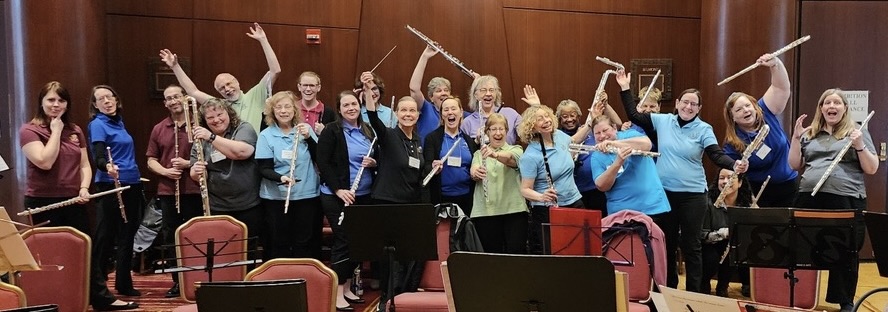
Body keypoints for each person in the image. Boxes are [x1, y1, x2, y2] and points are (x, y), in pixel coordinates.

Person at [616, 70, 747, 292]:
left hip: (693, 196)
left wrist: (733, 164)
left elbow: (715, 154)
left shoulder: (704, 129)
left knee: (691, 246)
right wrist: (624, 88)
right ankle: (668, 291)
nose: (688, 107)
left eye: (694, 104)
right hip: (665, 194)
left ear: (699, 109)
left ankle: (693, 294)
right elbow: (634, 115)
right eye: (685, 102)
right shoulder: (663, 120)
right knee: (666, 244)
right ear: (677, 103)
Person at [21, 81, 138, 311]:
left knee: (86, 250)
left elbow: (85, 165)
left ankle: (101, 298)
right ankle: (51, 299)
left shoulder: (75, 130)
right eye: (51, 100)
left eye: (61, 100)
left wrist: (84, 188)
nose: (56, 105)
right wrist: (55, 131)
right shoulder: (29, 130)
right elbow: (45, 161)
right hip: (42, 201)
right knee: (49, 254)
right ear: (41, 102)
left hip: (74, 200)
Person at [789, 89, 877, 312]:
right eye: (827, 102)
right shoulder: (811, 133)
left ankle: (844, 300)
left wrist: (859, 145)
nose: (832, 106)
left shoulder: (857, 131)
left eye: (837, 102)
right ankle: (798, 295)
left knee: (845, 249)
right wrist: (796, 137)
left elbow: (872, 168)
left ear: (845, 108)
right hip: (809, 196)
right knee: (799, 246)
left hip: (846, 199)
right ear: (821, 108)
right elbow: (794, 164)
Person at [159, 22, 281, 134]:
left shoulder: (255, 95)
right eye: (221, 88)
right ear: (219, 93)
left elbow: (275, 70)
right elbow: (193, 92)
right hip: (233, 152)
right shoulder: (220, 106)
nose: (227, 89)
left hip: (257, 152)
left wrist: (263, 40)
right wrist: (175, 66)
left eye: (229, 84)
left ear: (237, 82)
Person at [317, 90, 377, 311]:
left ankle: (349, 287)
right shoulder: (332, 131)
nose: (351, 108)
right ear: (339, 109)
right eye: (346, 105)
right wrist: (338, 189)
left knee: (358, 242)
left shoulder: (367, 130)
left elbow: (377, 157)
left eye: (354, 104)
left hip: (363, 194)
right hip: (338, 195)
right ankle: (337, 290)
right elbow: (323, 163)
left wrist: (373, 163)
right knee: (343, 242)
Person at [88, 85, 146, 298]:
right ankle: (97, 285)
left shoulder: (119, 123)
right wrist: (107, 167)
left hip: (131, 183)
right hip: (110, 184)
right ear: (95, 105)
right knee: (106, 235)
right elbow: (99, 155)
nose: (106, 101)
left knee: (127, 234)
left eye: (109, 97)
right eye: (101, 99)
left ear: (116, 99)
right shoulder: (97, 124)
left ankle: (123, 282)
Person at [145, 85, 203, 298]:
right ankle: (178, 282)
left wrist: (188, 163)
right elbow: (151, 159)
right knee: (172, 238)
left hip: (196, 191)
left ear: (185, 98)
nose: (173, 101)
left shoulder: (198, 124)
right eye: (168, 98)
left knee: (196, 237)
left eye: (176, 96)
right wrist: (167, 172)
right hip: (169, 192)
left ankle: (198, 281)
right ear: (165, 103)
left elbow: (209, 155)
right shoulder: (159, 128)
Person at [722, 54, 796, 207]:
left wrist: (775, 64)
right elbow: (730, 170)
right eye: (739, 110)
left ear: (755, 107)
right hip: (757, 193)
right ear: (733, 118)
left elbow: (781, 88)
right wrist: (738, 167)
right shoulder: (731, 143)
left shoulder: (766, 112)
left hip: (788, 186)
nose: (745, 110)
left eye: (747, 106)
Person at [189, 98, 263, 251]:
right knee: (223, 252)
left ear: (228, 113)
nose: (216, 120)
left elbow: (242, 152)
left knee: (247, 252)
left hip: (248, 205)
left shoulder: (243, 128)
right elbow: (194, 173)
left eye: (220, 114)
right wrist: (197, 172)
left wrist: (212, 137)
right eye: (210, 118)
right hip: (218, 206)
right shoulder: (201, 138)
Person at [256, 91, 321, 260]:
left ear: (294, 110)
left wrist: (309, 138)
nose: (283, 111)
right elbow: (263, 168)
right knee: (278, 241)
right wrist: (280, 178)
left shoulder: (305, 130)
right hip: (276, 197)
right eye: (279, 107)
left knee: (304, 241)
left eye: (287, 107)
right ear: (273, 111)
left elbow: (320, 158)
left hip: (306, 195)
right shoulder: (266, 135)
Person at [517, 105, 583, 255]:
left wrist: (591, 123)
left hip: (574, 201)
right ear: (531, 127)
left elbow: (573, 141)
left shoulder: (558, 136)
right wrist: (542, 196)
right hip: (547, 210)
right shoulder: (530, 156)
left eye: (547, 116)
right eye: (539, 119)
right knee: (555, 252)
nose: (546, 120)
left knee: (579, 248)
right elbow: (524, 189)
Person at [469, 113, 526, 254]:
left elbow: (511, 160)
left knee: (516, 255)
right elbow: (473, 170)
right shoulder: (478, 154)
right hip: (486, 213)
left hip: (514, 211)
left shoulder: (516, 149)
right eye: (493, 129)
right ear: (487, 132)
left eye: (501, 129)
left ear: (507, 131)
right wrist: (476, 173)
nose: (498, 133)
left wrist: (494, 155)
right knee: (492, 257)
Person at [363, 75, 424, 204]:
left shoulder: (418, 140)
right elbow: (373, 117)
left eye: (412, 111)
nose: (408, 114)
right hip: (387, 200)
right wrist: (368, 91)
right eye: (403, 110)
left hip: (410, 201)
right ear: (396, 114)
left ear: (418, 116)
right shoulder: (388, 135)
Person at [409, 45, 478, 143]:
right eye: (438, 91)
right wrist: (425, 57)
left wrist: (478, 84)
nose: (443, 93)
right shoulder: (426, 108)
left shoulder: (459, 113)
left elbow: (482, 114)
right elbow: (414, 89)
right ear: (431, 97)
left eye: (446, 90)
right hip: (428, 157)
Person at [701, 169, 752, 297]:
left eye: (730, 178)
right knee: (711, 258)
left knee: (735, 252)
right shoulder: (708, 202)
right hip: (709, 244)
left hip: (733, 246)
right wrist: (722, 233)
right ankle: (703, 283)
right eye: (721, 178)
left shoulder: (746, 203)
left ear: (740, 183)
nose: (724, 182)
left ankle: (723, 286)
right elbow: (701, 235)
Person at [423, 97, 478, 216]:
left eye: (454, 108)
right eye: (446, 110)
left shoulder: (468, 140)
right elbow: (426, 167)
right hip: (441, 198)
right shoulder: (432, 138)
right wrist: (433, 167)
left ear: (461, 112)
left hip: (467, 197)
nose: (450, 112)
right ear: (442, 114)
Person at [462, 75, 522, 144]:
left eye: (491, 90)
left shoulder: (511, 114)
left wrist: (535, 106)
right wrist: (476, 142)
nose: (488, 94)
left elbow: (527, 132)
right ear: (476, 95)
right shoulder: (467, 123)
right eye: (483, 90)